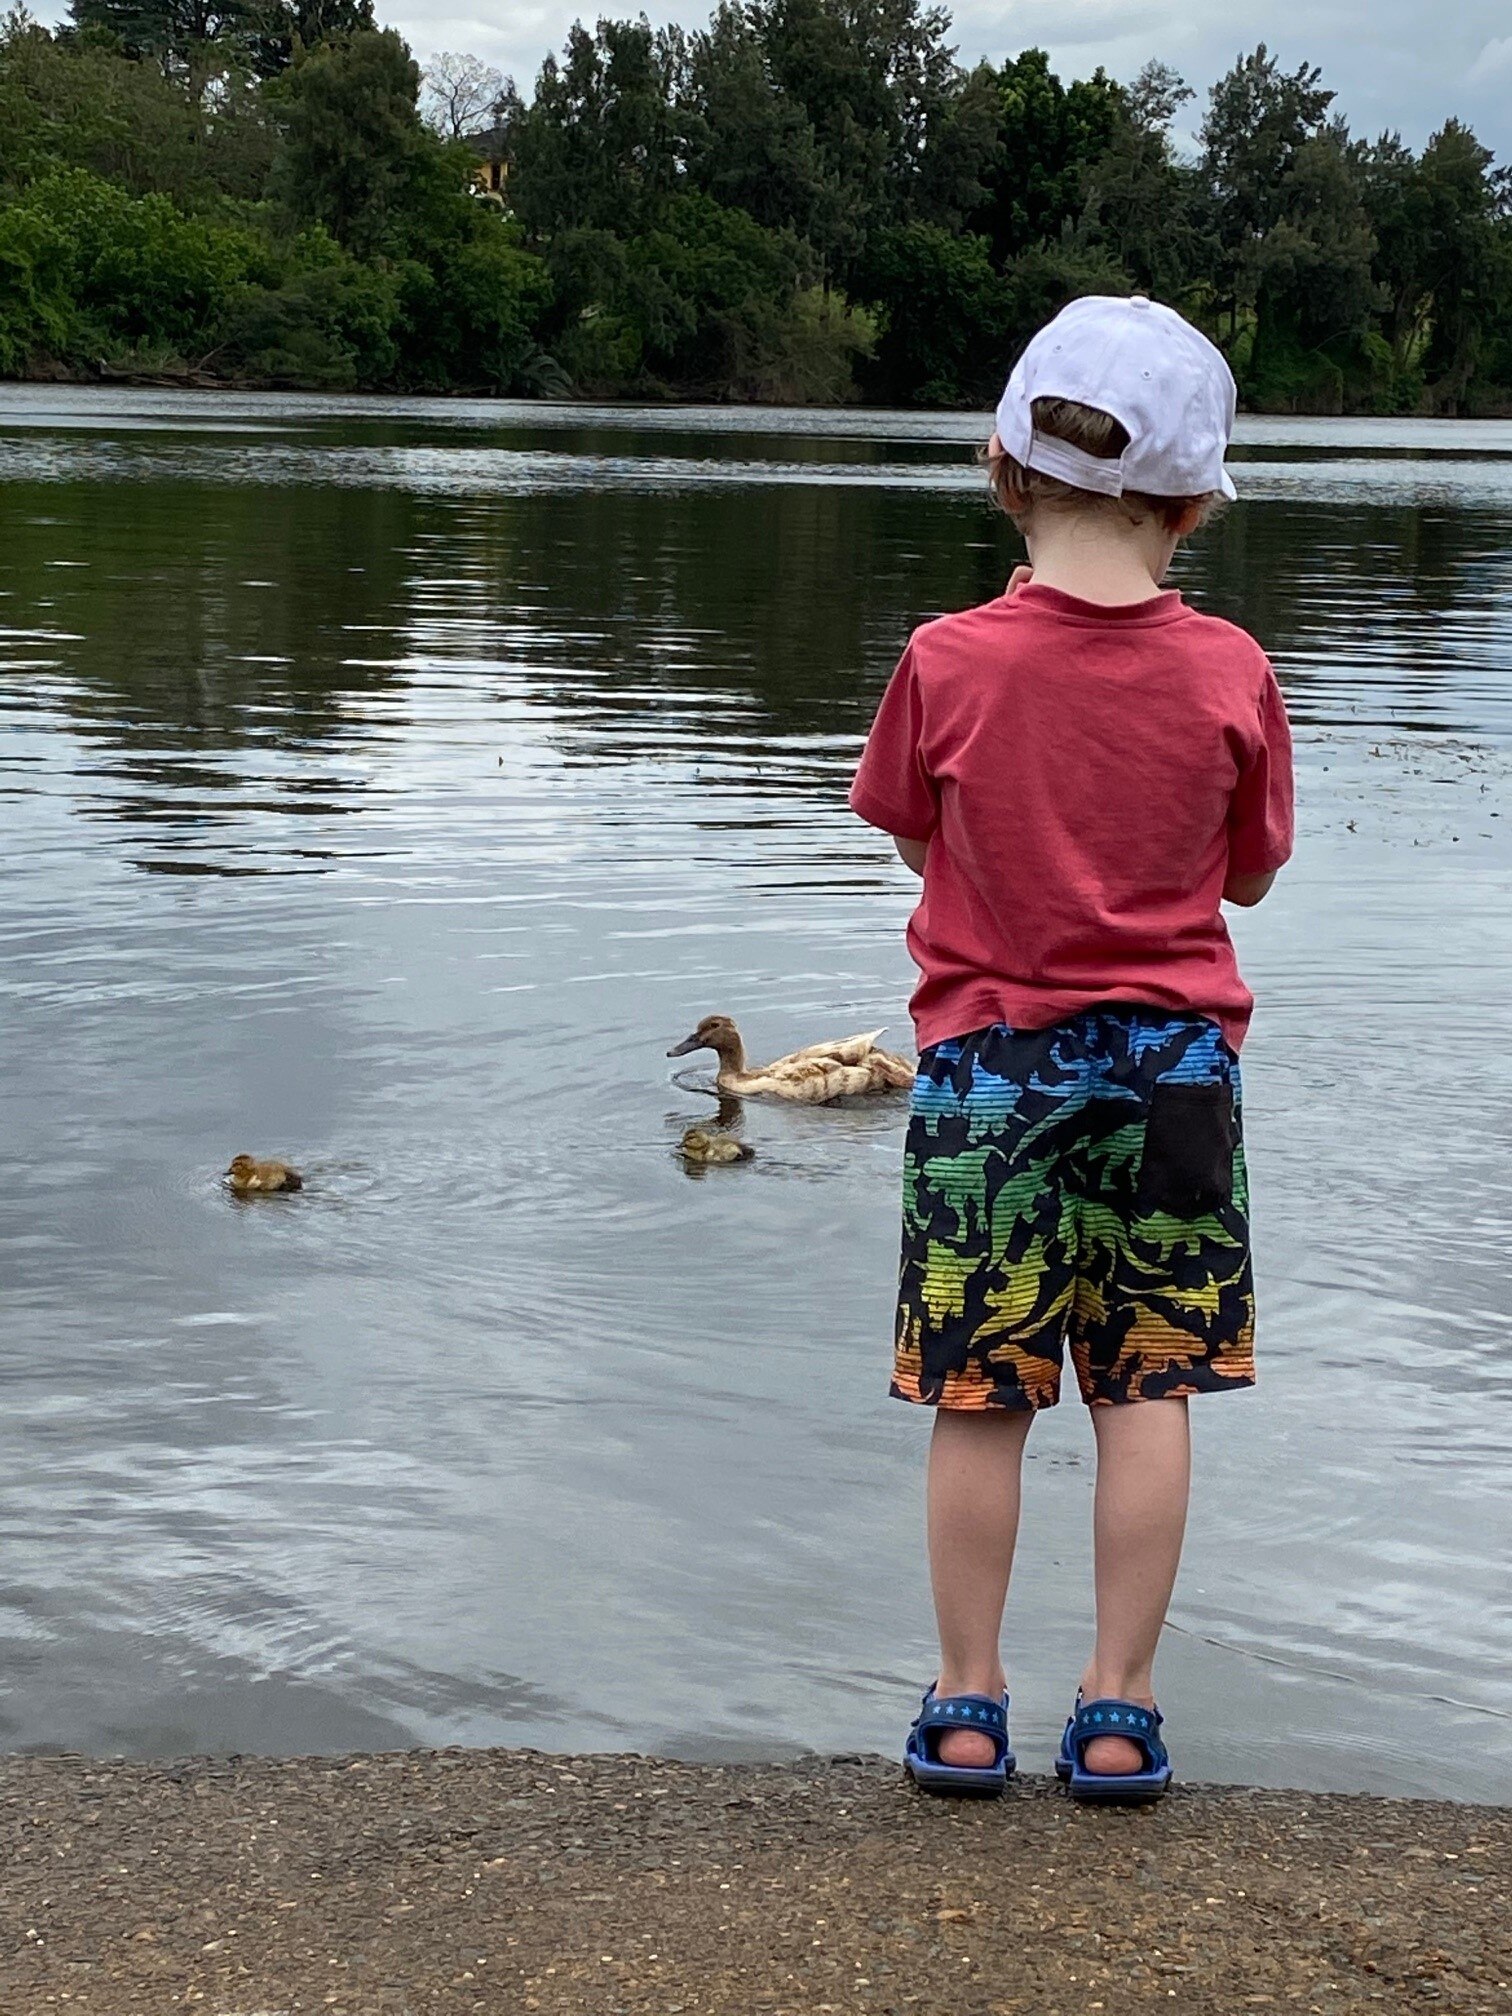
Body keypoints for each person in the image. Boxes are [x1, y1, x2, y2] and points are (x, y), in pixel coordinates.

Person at [849, 295, 1294, 1803]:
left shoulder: (947, 659)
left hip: (988, 1076)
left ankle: (967, 1705)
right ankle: (1119, 1709)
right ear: (1190, 502)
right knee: (1143, 1393)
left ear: (1004, 470)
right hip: (1172, 1081)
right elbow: (1245, 874)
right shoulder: (1232, 672)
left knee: (981, 1397)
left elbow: (915, 834)